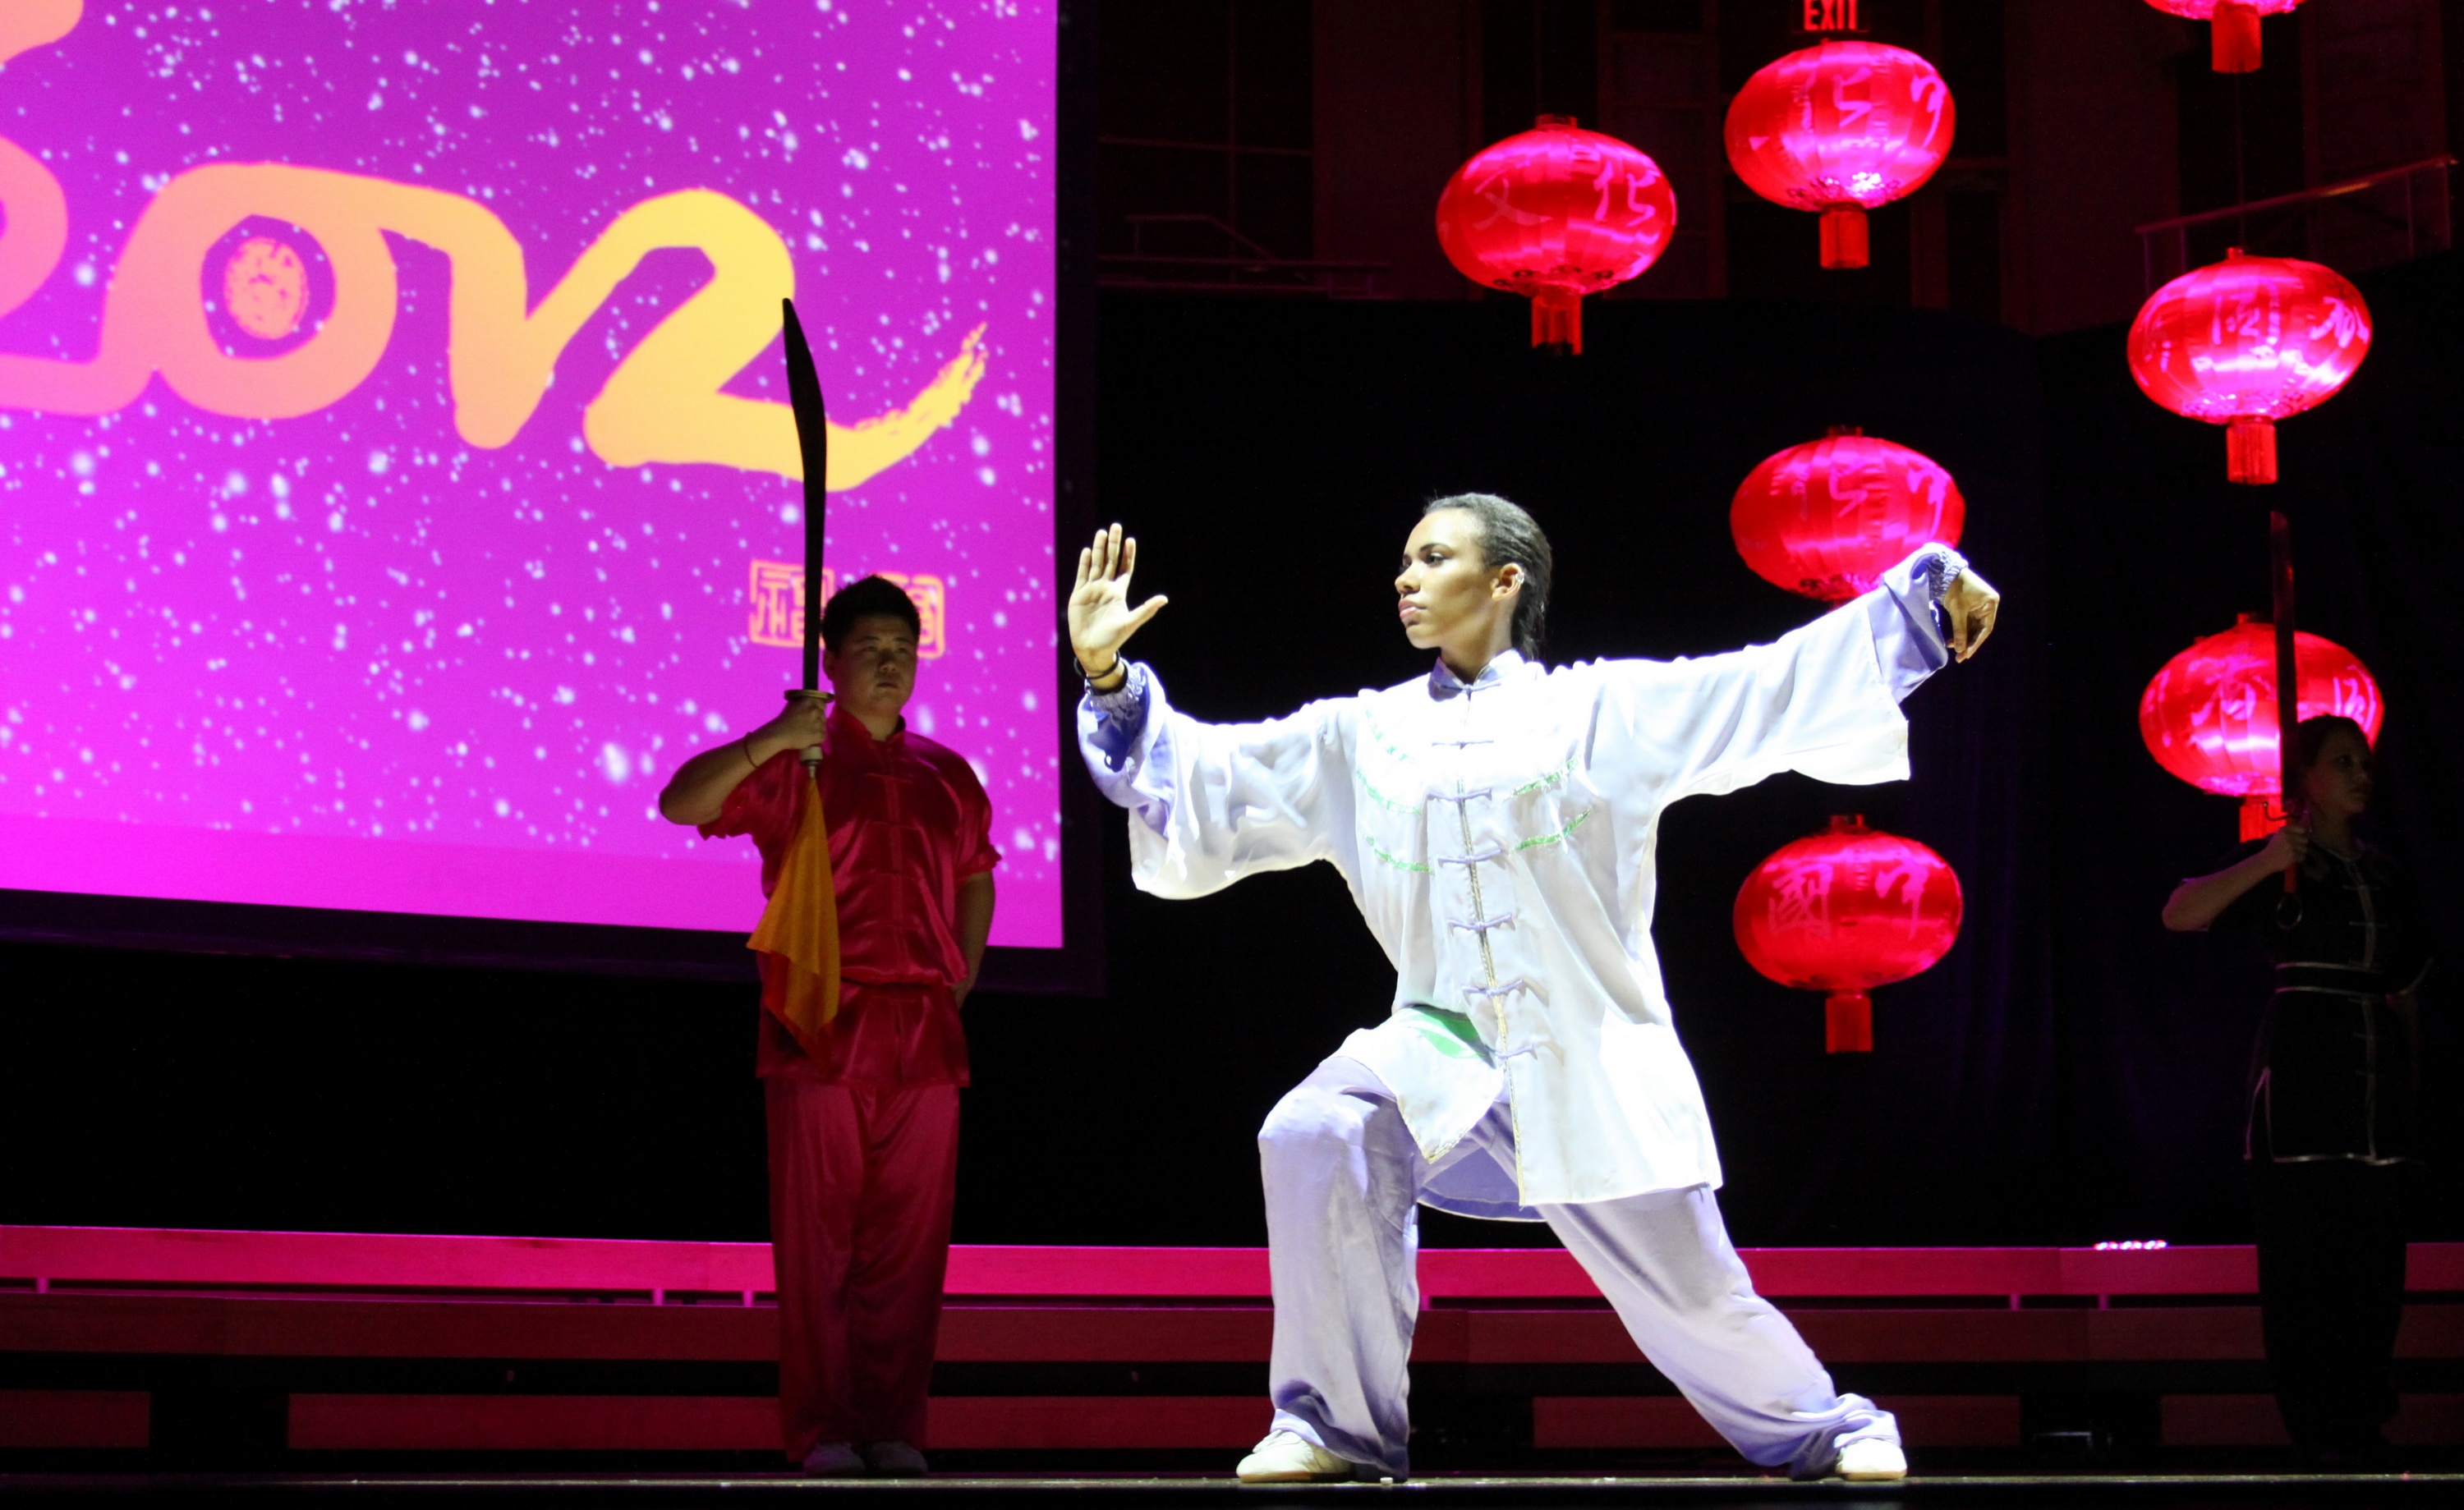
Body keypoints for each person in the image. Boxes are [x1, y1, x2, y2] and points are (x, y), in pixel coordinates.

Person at [1067, 498, 1999, 1483]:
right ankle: (1337, 1427)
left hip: (1588, 1048)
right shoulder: (1364, 734)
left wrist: (1926, 592)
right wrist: (1109, 679)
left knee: (1690, 1296)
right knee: (1316, 1128)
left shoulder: (1600, 711)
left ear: (1505, 580)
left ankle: (1828, 1428)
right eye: (1405, 560)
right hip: (1439, 1045)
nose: (1407, 577)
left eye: (1434, 556)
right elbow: (1213, 774)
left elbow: (1764, 687)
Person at [658, 575, 1000, 1478]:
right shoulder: (799, 760)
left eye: (904, 649)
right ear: (831, 661)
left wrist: (960, 978)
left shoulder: (947, 774)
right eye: (870, 649)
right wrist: (773, 737)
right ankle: (824, 1430)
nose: (890, 664)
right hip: (820, 1023)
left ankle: (894, 1426)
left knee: (908, 1253)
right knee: (820, 1250)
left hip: (923, 1032)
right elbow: (681, 803)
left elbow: (976, 874)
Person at [2162, 714, 2429, 1467]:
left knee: (2376, 1272)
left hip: (2377, 1091)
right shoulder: (2285, 865)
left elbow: (2408, 988)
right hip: (2304, 1087)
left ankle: (2366, 1423)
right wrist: (2270, 858)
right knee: (2306, 1271)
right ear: (2304, 778)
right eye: (2342, 762)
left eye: (2364, 762)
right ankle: (2318, 1430)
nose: (2360, 774)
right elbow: (2181, 912)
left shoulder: (2385, 873)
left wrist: (2412, 1088)